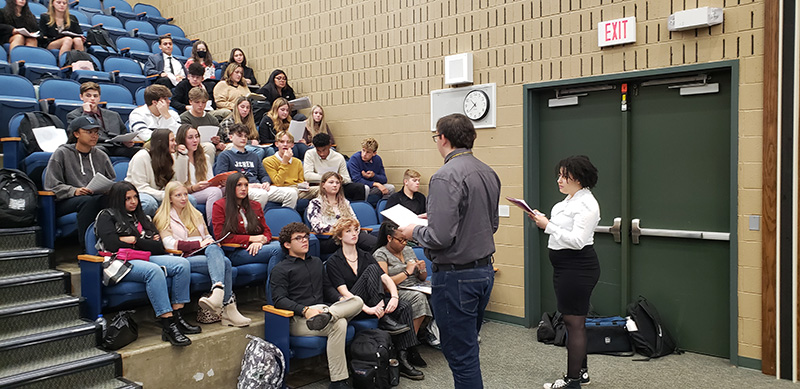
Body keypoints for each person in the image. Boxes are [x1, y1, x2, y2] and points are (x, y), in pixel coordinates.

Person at [396, 113, 501, 389]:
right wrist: (433, 220)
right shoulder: (488, 172)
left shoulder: (444, 176)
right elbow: (490, 223)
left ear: (442, 138)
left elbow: (440, 237)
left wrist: (412, 231)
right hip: (483, 272)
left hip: (456, 278)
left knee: (459, 355)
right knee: (468, 349)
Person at [95, 181, 199, 347]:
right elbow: (112, 244)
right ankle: (168, 324)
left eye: (135, 197)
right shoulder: (106, 215)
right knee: (154, 271)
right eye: (128, 198)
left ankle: (178, 317)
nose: (133, 201)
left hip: (142, 256)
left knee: (182, 264)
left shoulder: (142, 217)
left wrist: (135, 240)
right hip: (118, 261)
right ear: (117, 199)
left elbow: (158, 247)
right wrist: (144, 241)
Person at [529, 155, 601, 389]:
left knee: (574, 323)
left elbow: (578, 240)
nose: (559, 180)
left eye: (564, 176)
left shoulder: (587, 204)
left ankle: (572, 382)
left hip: (578, 267)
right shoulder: (568, 201)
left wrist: (547, 226)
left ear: (578, 179)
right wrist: (543, 219)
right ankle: (582, 373)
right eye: (559, 175)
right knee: (574, 321)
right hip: (565, 267)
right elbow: (561, 229)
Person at [326, 217, 424, 381]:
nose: (354, 234)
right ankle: (384, 318)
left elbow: (385, 278)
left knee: (404, 305)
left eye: (356, 230)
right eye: (348, 231)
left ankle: (403, 358)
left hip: (374, 303)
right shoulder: (333, 261)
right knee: (372, 269)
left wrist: (394, 296)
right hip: (354, 306)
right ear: (340, 236)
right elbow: (344, 293)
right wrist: (368, 308)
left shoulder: (365, 255)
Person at [270, 222, 363, 389]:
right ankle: (339, 381)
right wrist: (305, 310)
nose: (305, 241)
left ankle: (329, 315)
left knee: (357, 300)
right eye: (299, 238)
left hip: (325, 310)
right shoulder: (280, 269)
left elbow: (327, 288)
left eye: (306, 237)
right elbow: (279, 300)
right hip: (298, 319)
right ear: (287, 244)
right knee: (340, 323)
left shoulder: (317, 262)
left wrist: (339, 299)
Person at [154, 181, 251, 327]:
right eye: (178, 195)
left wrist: (211, 242)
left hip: (205, 253)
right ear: (170, 198)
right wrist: (198, 244)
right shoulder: (162, 217)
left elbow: (207, 236)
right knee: (225, 263)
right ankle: (227, 308)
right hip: (183, 257)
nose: (183, 198)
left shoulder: (196, 213)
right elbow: (168, 243)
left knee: (218, 253)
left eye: (185, 194)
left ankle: (218, 292)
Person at [43, 116, 115, 247]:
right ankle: (86, 248)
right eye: (89, 132)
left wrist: (107, 188)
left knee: (112, 199)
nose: (94, 136)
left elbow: (111, 180)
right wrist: (74, 191)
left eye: (96, 132)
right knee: (87, 201)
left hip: (93, 196)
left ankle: (112, 245)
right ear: (76, 134)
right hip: (66, 200)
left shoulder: (101, 155)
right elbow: (51, 185)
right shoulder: (62, 153)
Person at [373, 220, 432, 343]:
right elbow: (384, 284)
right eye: (400, 240)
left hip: (416, 285)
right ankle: (410, 342)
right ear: (389, 238)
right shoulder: (381, 254)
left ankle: (430, 333)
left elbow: (422, 278)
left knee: (441, 290)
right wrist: (407, 272)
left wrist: (422, 269)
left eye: (406, 240)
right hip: (397, 290)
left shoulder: (408, 250)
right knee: (419, 298)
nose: (404, 243)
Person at [213, 124, 297, 209]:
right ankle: (254, 221)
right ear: (231, 137)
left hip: (259, 187)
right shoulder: (225, 155)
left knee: (291, 193)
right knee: (261, 195)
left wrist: (266, 182)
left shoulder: (254, 155)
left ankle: (283, 218)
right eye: (239, 135)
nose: (243, 138)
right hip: (240, 188)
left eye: (245, 136)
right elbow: (222, 178)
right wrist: (247, 185)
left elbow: (263, 175)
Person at [212, 172, 282, 271]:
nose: (244, 188)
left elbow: (266, 231)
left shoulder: (255, 205)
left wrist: (261, 241)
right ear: (231, 187)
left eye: (246, 185)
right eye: (239, 185)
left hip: (256, 246)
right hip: (236, 251)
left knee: (286, 245)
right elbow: (221, 237)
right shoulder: (219, 206)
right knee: (277, 250)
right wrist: (251, 239)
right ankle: (275, 286)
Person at [307, 171, 377, 256]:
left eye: (337, 183)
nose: (335, 185)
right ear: (323, 185)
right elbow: (317, 226)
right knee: (366, 243)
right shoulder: (315, 203)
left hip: (349, 234)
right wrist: (341, 230)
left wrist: (353, 230)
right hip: (328, 238)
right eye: (331, 182)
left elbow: (355, 221)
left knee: (375, 244)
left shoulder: (345, 202)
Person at [67, 81, 140, 159]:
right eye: (88, 96)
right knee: (98, 150)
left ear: (99, 98)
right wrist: (87, 113)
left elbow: (124, 133)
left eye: (95, 96)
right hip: (96, 146)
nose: (92, 98)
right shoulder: (74, 115)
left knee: (142, 151)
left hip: (115, 146)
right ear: (81, 97)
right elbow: (74, 138)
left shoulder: (113, 114)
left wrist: (127, 142)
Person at [125, 128, 185, 216]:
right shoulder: (141, 157)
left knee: (190, 200)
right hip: (140, 193)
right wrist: (165, 196)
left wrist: (183, 156)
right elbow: (139, 187)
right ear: (162, 143)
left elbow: (176, 183)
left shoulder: (171, 157)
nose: (175, 143)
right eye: (172, 140)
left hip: (162, 194)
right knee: (150, 204)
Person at [174, 124, 222, 224]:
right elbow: (175, 186)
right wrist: (193, 188)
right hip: (187, 193)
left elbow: (210, 179)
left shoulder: (204, 157)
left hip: (203, 190)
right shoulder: (176, 158)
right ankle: (213, 227)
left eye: (197, 137)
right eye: (190, 138)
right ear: (182, 140)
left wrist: (219, 183)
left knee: (228, 189)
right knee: (214, 192)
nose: (195, 140)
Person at [304, 133, 365, 201]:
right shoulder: (309, 154)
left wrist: (340, 178)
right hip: (318, 186)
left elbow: (347, 179)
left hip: (336, 186)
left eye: (324, 150)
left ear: (330, 146)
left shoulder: (339, 157)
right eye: (318, 150)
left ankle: (355, 208)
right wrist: (328, 178)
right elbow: (307, 176)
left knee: (359, 188)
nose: (322, 154)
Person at [262, 131, 317, 200]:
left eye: (288, 142)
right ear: (276, 144)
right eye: (282, 142)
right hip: (281, 190)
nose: (285, 144)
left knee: (322, 189)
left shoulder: (297, 162)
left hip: (297, 189)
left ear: (292, 145)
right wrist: (284, 162)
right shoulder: (268, 161)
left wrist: (304, 185)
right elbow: (278, 183)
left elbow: (300, 181)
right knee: (292, 192)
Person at [347, 137, 395, 207]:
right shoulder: (355, 159)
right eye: (363, 150)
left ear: (374, 153)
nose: (364, 154)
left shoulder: (377, 159)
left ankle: (382, 209)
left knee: (391, 188)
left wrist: (373, 176)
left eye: (368, 152)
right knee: (365, 188)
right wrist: (376, 184)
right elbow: (356, 180)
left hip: (371, 187)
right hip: (358, 187)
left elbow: (384, 179)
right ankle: (365, 209)